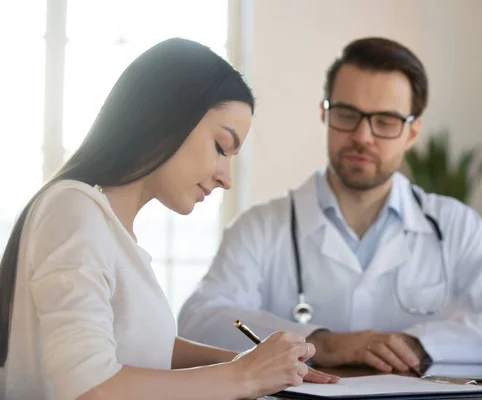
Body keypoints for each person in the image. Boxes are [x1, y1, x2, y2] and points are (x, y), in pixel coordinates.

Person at [177, 37, 482, 373]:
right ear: (325, 114)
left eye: (386, 121)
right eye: (348, 115)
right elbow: (200, 320)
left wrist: (420, 344)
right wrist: (322, 343)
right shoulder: (262, 226)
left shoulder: (454, 225)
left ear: (412, 132)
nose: (363, 136)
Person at [0, 38, 337, 400]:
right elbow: (91, 388)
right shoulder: (73, 210)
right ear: (167, 117)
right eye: (222, 147)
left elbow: (145, 345)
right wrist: (244, 376)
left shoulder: (109, 227)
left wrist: (253, 362)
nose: (227, 177)